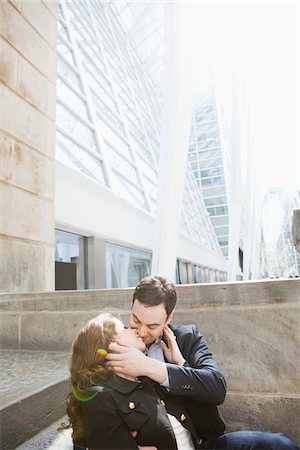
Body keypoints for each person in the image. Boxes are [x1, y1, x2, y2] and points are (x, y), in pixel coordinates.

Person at [106, 275, 299, 450]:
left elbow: (217, 388)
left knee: (278, 444)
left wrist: (174, 365)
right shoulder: (115, 343)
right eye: (136, 320)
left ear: (168, 318)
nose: (141, 331)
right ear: (131, 306)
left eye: (152, 326)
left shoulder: (187, 338)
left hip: (204, 445)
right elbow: (85, 412)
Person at [63, 312, 207, 449]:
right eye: (125, 328)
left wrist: (180, 363)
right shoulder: (99, 397)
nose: (136, 330)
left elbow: (206, 397)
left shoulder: (146, 379)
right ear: (113, 343)